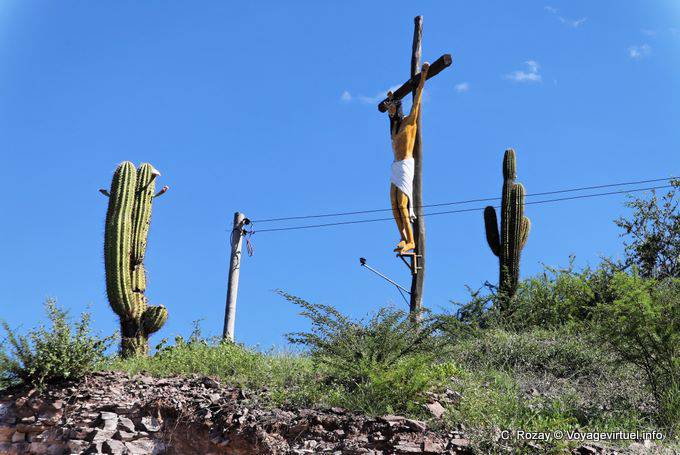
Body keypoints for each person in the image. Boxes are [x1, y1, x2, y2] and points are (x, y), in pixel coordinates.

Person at [384, 62, 429, 254]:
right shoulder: (394, 129)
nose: (391, 111)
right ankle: (402, 237)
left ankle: (411, 240)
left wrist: (424, 75)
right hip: (395, 166)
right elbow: (390, 113)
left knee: (402, 203)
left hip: (405, 165)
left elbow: (417, 99)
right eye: (390, 110)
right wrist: (390, 99)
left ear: (399, 108)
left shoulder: (410, 122)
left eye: (393, 109)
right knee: (393, 204)